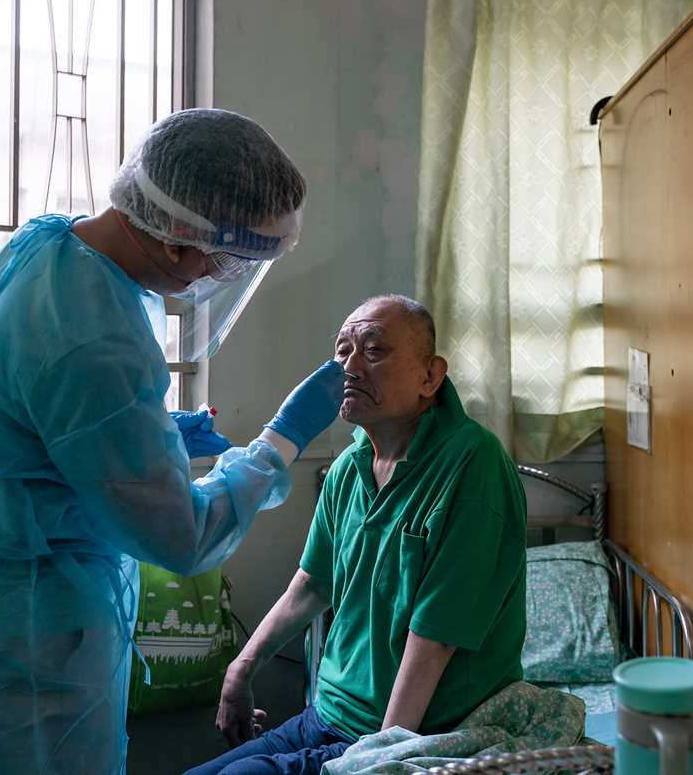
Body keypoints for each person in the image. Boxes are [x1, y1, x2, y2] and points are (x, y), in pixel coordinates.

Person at [0, 109, 346, 775]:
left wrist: (158, 434)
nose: (210, 280)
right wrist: (280, 442)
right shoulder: (100, 336)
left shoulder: (50, 246)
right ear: (175, 241)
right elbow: (183, 537)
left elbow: (35, 419)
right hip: (31, 633)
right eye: (220, 262)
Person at [186, 295, 527, 775]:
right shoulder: (349, 467)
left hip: (413, 733)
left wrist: (379, 761)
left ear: (430, 376)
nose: (349, 367)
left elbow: (435, 637)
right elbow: (311, 585)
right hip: (328, 714)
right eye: (341, 351)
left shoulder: (472, 464)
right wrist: (240, 671)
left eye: (373, 350)